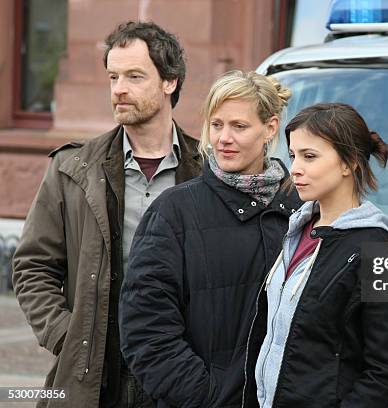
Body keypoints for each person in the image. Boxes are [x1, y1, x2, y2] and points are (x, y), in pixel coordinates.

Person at [12, 21, 201, 407]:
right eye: (113, 76)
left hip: (181, 371)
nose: (119, 89)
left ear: (170, 82)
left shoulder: (206, 170)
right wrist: (68, 335)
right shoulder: (73, 167)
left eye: (134, 76)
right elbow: (32, 265)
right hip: (94, 375)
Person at [118, 70, 301, 407]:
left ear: (271, 128)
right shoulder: (174, 212)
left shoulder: (303, 209)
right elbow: (145, 329)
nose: (223, 139)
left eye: (239, 126)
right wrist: (208, 398)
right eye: (216, 125)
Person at [255, 103, 388, 407]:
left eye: (309, 156)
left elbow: (386, 370)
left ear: (348, 162)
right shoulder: (296, 230)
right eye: (293, 156)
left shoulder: (377, 248)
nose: (296, 168)